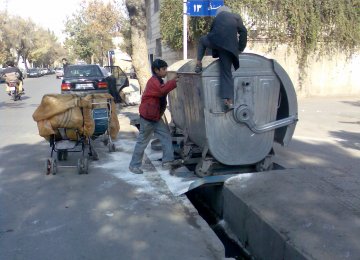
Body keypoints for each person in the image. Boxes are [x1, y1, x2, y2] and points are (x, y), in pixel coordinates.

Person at [129, 59, 181, 174]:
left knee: (166, 136)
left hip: (155, 116)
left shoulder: (158, 80)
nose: (166, 71)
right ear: (156, 70)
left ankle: (167, 161)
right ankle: (134, 165)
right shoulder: (153, 82)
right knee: (142, 141)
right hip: (148, 117)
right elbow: (161, 91)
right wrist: (173, 82)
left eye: (166, 69)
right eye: (163, 69)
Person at [195, 5, 247, 111]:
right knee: (226, 73)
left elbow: (212, 34)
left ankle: (198, 63)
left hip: (217, 44)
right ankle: (229, 101)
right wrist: (240, 48)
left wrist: (214, 52)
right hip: (229, 48)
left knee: (202, 40)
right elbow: (244, 32)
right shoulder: (236, 17)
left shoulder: (217, 18)